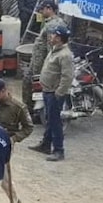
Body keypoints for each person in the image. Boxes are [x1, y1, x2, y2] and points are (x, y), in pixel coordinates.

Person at [0, 78, 32, 203]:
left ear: (4, 91)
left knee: (3, 179)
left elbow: (28, 128)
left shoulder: (18, 107)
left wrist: (13, 139)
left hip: (4, 145)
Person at [31, 24, 73, 161]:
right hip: (47, 90)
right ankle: (45, 144)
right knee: (50, 119)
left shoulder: (65, 55)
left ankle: (59, 150)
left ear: (60, 38)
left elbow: (67, 77)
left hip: (54, 92)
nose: (51, 36)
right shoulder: (55, 50)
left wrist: (59, 92)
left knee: (55, 122)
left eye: (54, 35)